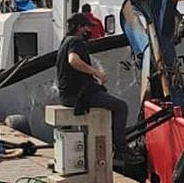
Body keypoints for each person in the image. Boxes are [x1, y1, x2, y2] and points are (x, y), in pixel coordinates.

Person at [57, 14, 138, 163]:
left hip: (67, 95)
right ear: (80, 27)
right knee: (121, 107)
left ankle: (113, 142)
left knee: (105, 97)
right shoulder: (76, 41)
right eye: (87, 27)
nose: (89, 30)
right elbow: (73, 60)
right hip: (78, 97)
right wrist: (96, 72)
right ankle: (120, 149)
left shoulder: (65, 41)